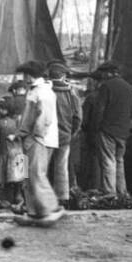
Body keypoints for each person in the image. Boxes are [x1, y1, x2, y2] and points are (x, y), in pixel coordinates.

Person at [15, 60, 64, 224]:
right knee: (27, 175)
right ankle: (34, 211)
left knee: (36, 174)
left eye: (25, 74)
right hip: (34, 138)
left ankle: (51, 208)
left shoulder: (42, 92)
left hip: (39, 139)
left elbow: (44, 118)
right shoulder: (37, 90)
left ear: (30, 75)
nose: (24, 78)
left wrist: (35, 135)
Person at [90, 61, 132, 198]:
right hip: (123, 131)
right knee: (119, 161)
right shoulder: (129, 88)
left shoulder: (106, 86)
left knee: (108, 161)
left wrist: (96, 128)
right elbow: (131, 113)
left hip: (107, 129)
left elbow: (99, 110)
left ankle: (109, 192)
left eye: (103, 73)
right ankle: (122, 192)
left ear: (109, 72)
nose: (102, 75)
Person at [48, 61, 82, 207]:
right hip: (64, 135)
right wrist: (72, 132)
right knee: (61, 167)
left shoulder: (45, 90)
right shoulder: (71, 92)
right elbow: (78, 117)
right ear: (62, 75)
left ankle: (41, 197)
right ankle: (62, 197)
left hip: (46, 135)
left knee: (42, 167)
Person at [0, 97, 25, 210]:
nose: (1, 111)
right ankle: (5, 198)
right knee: (3, 176)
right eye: (0, 108)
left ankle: (19, 197)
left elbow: (22, 131)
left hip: (16, 150)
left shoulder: (17, 120)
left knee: (17, 177)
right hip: (5, 150)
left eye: (4, 109)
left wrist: (15, 135)